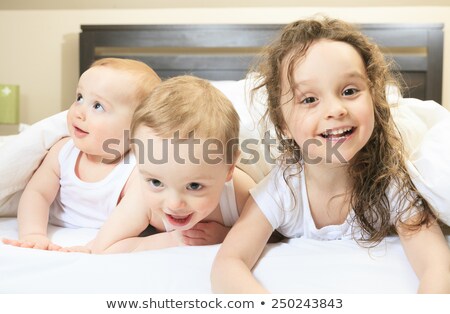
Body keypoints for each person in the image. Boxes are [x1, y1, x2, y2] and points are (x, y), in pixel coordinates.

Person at [211, 16, 450, 293]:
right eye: (309, 99)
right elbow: (228, 263)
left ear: (373, 98)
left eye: (349, 91)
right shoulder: (284, 187)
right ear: (283, 125)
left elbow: (437, 266)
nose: (335, 109)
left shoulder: (391, 183)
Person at [69, 75, 255, 254]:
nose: (174, 204)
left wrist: (225, 235)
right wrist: (174, 239)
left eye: (194, 186)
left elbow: (278, 231)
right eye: (156, 183)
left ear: (229, 169)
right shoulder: (141, 199)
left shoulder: (240, 194)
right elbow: (104, 247)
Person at [2, 58, 161, 250]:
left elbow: (135, 215)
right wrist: (33, 234)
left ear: (136, 126)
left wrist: (96, 246)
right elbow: (37, 193)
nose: (79, 112)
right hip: (53, 223)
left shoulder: (135, 169)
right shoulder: (63, 151)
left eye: (97, 106)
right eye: (79, 98)